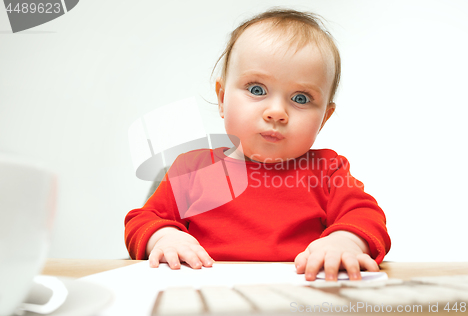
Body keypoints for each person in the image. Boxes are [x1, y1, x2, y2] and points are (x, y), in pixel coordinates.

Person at [125, 8, 390, 281]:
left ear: (324, 117)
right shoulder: (192, 169)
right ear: (222, 98)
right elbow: (143, 221)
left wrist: (344, 241)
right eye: (256, 90)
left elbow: (366, 216)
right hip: (208, 294)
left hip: (299, 299)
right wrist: (165, 237)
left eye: (300, 98)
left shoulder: (328, 170)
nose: (276, 112)